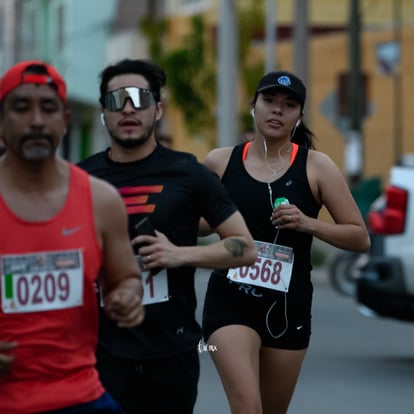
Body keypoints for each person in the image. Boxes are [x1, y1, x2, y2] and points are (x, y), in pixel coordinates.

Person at [77, 58, 257, 414]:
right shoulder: (80, 179)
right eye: (116, 100)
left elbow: (246, 249)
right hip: (98, 353)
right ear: (103, 112)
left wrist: (180, 254)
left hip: (170, 352)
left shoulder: (188, 173)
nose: (128, 108)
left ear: (158, 109)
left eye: (140, 98)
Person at [201, 70, 371, 414]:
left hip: (287, 308)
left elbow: (360, 237)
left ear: (299, 116)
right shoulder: (219, 162)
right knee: (248, 407)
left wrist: (308, 224)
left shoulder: (317, 167)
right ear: (253, 107)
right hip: (227, 305)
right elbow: (197, 225)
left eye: (289, 104)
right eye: (269, 101)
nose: (277, 110)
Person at [0, 60, 145, 414]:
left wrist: (127, 296)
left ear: (64, 122)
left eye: (48, 108)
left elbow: (125, 277)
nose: (36, 120)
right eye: (21, 108)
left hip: (80, 396)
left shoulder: (101, 200)